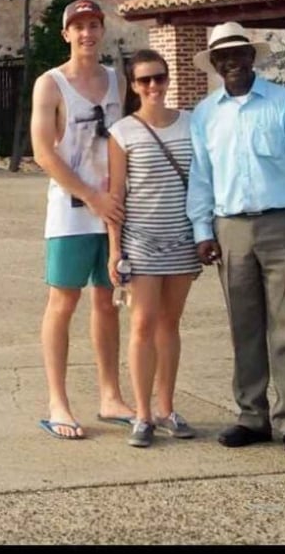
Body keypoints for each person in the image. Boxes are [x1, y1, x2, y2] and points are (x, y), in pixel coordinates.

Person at [186, 21, 285, 457]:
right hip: (230, 227)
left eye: (238, 53)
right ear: (214, 63)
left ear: (253, 56)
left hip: (282, 223)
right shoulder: (206, 114)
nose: (231, 62)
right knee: (243, 327)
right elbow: (201, 176)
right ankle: (251, 415)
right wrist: (201, 231)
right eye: (222, 56)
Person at [29, 0, 136, 440]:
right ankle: (59, 400)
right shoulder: (51, 84)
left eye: (94, 25)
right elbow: (42, 152)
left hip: (112, 207)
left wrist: (115, 197)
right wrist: (90, 195)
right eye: (79, 27)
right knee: (63, 301)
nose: (87, 33)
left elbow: (127, 138)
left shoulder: (116, 79)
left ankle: (110, 394)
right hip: (72, 209)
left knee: (108, 300)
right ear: (66, 34)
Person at [104, 49, 202, 448]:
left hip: (183, 238)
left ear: (168, 78)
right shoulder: (123, 132)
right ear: (133, 85)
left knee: (170, 324)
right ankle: (142, 414)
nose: (153, 87)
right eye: (144, 80)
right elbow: (116, 194)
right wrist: (114, 250)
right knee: (142, 324)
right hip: (141, 242)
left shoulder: (192, 125)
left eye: (159, 78)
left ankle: (166, 406)